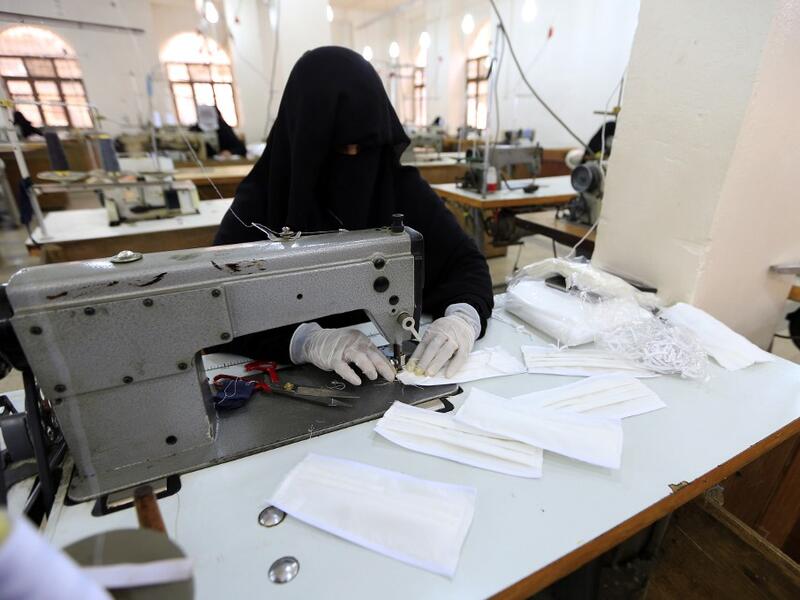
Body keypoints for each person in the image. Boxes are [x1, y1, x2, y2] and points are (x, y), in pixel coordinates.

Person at [214, 46, 493, 386]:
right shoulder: (262, 202)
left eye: (366, 148)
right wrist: (306, 340)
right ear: (304, 141)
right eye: (338, 148)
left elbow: (465, 262)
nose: (355, 160)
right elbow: (217, 306)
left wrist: (463, 318)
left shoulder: (398, 186)